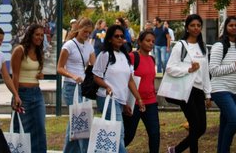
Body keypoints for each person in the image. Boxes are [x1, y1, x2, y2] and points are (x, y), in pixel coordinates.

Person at [93, 24, 144, 153]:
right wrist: (107, 86)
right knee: (118, 132)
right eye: (116, 36)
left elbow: (129, 80)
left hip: (119, 100)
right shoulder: (105, 55)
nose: (120, 38)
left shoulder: (125, 56)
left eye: (122, 36)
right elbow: (96, 77)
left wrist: (137, 99)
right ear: (109, 38)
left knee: (116, 134)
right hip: (107, 98)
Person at [166, 14, 211, 153]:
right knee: (195, 125)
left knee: (201, 128)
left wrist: (208, 94)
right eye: (192, 25)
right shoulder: (180, 46)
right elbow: (170, 68)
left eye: (198, 25)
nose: (196, 28)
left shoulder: (203, 47)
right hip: (185, 89)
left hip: (198, 90)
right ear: (187, 27)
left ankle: (175, 150)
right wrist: (188, 69)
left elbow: (205, 72)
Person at [209, 15, 236, 153]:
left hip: (234, 89)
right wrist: (234, 66)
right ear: (225, 28)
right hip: (220, 89)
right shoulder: (219, 45)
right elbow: (213, 70)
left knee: (226, 122)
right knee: (234, 120)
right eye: (231, 25)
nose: (234, 28)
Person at [57, 18, 96, 153]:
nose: (86, 35)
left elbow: (94, 66)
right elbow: (60, 68)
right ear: (78, 28)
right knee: (81, 121)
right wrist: (73, 76)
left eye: (89, 33)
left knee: (75, 122)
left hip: (83, 88)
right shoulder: (69, 45)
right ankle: (84, 150)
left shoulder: (89, 46)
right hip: (70, 87)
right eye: (85, 31)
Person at [11, 24, 47, 153]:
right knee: (23, 129)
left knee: (40, 129)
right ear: (30, 34)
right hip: (22, 94)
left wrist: (40, 75)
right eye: (37, 34)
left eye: (42, 35)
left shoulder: (39, 51)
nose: (40, 38)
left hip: (37, 94)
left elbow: (36, 72)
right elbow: (15, 75)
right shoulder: (19, 50)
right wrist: (16, 96)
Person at [124, 30, 160, 153]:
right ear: (139, 41)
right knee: (128, 135)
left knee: (155, 134)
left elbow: (150, 80)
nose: (151, 44)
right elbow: (126, 80)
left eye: (153, 41)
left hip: (150, 102)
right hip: (135, 103)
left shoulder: (152, 59)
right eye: (148, 40)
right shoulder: (133, 57)